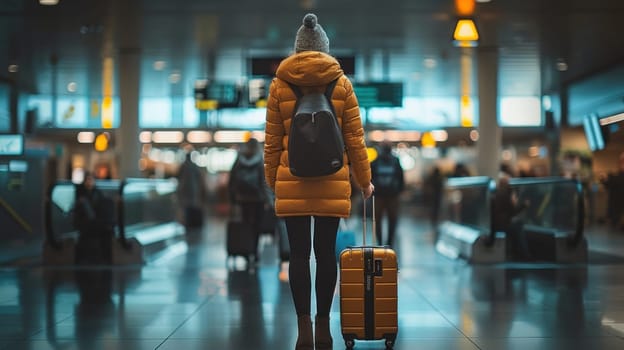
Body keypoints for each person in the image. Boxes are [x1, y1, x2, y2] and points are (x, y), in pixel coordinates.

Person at [263, 13, 374, 350]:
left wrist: (274, 181)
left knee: (298, 256)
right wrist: (364, 182)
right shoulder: (341, 84)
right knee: (326, 255)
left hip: (291, 179)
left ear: (297, 50)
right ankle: (324, 328)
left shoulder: (280, 84)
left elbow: (271, 141)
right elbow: (355, 140)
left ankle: (303, 330)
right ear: (325, 49)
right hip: (331, 178)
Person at [228, 137, 269, 263]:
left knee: (245, 224)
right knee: (257, 225)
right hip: (258, 199)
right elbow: (264, 182)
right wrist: (268, 200)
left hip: (243, 199)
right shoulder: (259, 160)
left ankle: (246, 250)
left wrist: (233, 198)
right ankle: (255, 251)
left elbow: (232, 180)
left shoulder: (239, 160)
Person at [74, 171, 113, 264]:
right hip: (86, 224)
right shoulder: (80, 194)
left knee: (107, 231)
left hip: (95, 222)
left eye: (91, 180)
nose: (89, 182)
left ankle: (104, 257)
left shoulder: (97, 193)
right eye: (87, 180)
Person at [370, 142, 404, 246]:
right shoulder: (395, 160)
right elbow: (401, 177)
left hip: (379, 195)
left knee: (377, 220)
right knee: (392, 219)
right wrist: (400, 191)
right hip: (392, 195)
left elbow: (370, 178)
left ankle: (380, 243)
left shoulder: (375, 162)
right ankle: (389, 242)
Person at [176, 151, 207, 232]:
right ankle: (193, 224)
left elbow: (178, 177)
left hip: (184, 190)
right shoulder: (194, 166)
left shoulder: (183, 166)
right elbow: (199, 178)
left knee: (186, 207)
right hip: (193, 190)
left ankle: (188, 224)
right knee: (192, 206)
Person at [601, 152, 624, 231]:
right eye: (621, 161)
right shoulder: (616, 176)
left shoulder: (616, 177)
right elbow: (608, 185)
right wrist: (604, 179)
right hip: (616, 206)